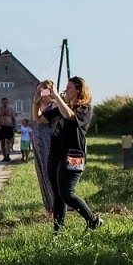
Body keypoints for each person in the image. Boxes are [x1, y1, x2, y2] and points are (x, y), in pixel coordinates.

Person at [37, 76, 100, 232]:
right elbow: (37, 117)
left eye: (69, 87)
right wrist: (36, 101)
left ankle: (93, 220)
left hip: (74, 155)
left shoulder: (85, 108)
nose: (66, 90)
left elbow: (69, 116)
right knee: (57, 195)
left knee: (67, 193)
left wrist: (56, 95)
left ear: (79, 89)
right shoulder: (60, 108)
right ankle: (59, 230)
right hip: (56, 155)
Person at [29, 79, 58, 220]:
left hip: (49, 145)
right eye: (38, 90)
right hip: (38, 146)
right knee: (42, 177)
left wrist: (36, 103)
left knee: (50, 177)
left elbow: (40, 119)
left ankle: (56, 210)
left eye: (44, 90)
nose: (41, 93)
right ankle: (49, 210)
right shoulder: (37, 106)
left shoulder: (54, 106)